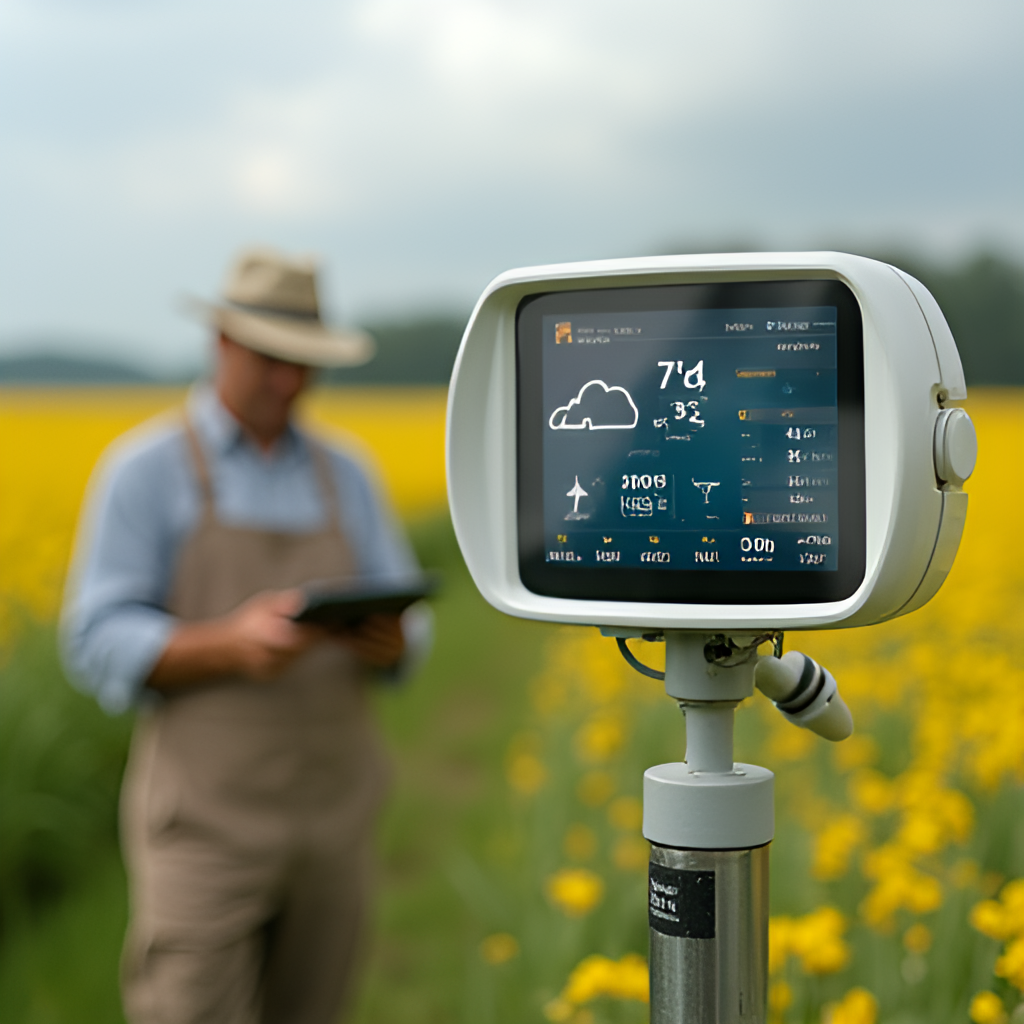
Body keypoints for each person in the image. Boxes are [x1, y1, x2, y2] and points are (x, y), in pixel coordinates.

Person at [61, 247, 429, 1024]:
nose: (289, 382)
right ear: (222, 342)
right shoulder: (144, 470)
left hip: (337, 823)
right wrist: (228, 644)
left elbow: (414, 625)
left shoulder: (348, 474)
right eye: (271, 360)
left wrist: (394, 642)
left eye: (305, 364)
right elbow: (94, 636)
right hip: (204, 831)